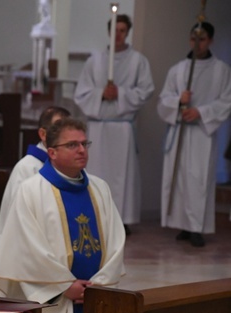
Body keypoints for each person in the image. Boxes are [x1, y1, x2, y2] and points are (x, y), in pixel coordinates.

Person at [0, 118, 125, 313]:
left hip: (94, 292)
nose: (82, 150)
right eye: (72, 144)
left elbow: (116, 239)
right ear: (52, 152)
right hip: (56, 296)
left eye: (84, 143)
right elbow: (26, 247)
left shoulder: (99, 187)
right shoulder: (32, 190)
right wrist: (65, 285)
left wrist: (99, 282)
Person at [74, 13, 154, 234]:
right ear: (109, 32)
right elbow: (81, 93)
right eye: (114, 30)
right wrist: (101, 94)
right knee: (98, 172)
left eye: (122, 31)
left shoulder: (138, 61)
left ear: (127, 33)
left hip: (122, 128)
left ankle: (122, 219)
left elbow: (146, 90)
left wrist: (120, 93)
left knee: (122, 177)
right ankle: (98, 215)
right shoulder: (95, 61)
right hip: (99, 128)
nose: (118, 35)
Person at [158, 21, 231, 248]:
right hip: (179, 129)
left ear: (210, 41)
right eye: (193, 38)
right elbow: (163, 100)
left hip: (201, 134)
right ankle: (182, 224)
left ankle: (197, 227)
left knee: (198, 181)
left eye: (202, 39)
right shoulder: (178, 69)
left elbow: (226, 101)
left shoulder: (221, 70)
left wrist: (200, 111)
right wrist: (179, 102)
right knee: (178, 179)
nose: (197, 43)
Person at [0, 105, 70, 236]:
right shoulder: (27, 168)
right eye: (58, 129)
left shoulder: (69, 167)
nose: (66, 137)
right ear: (43, 134)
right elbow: (17, 222)